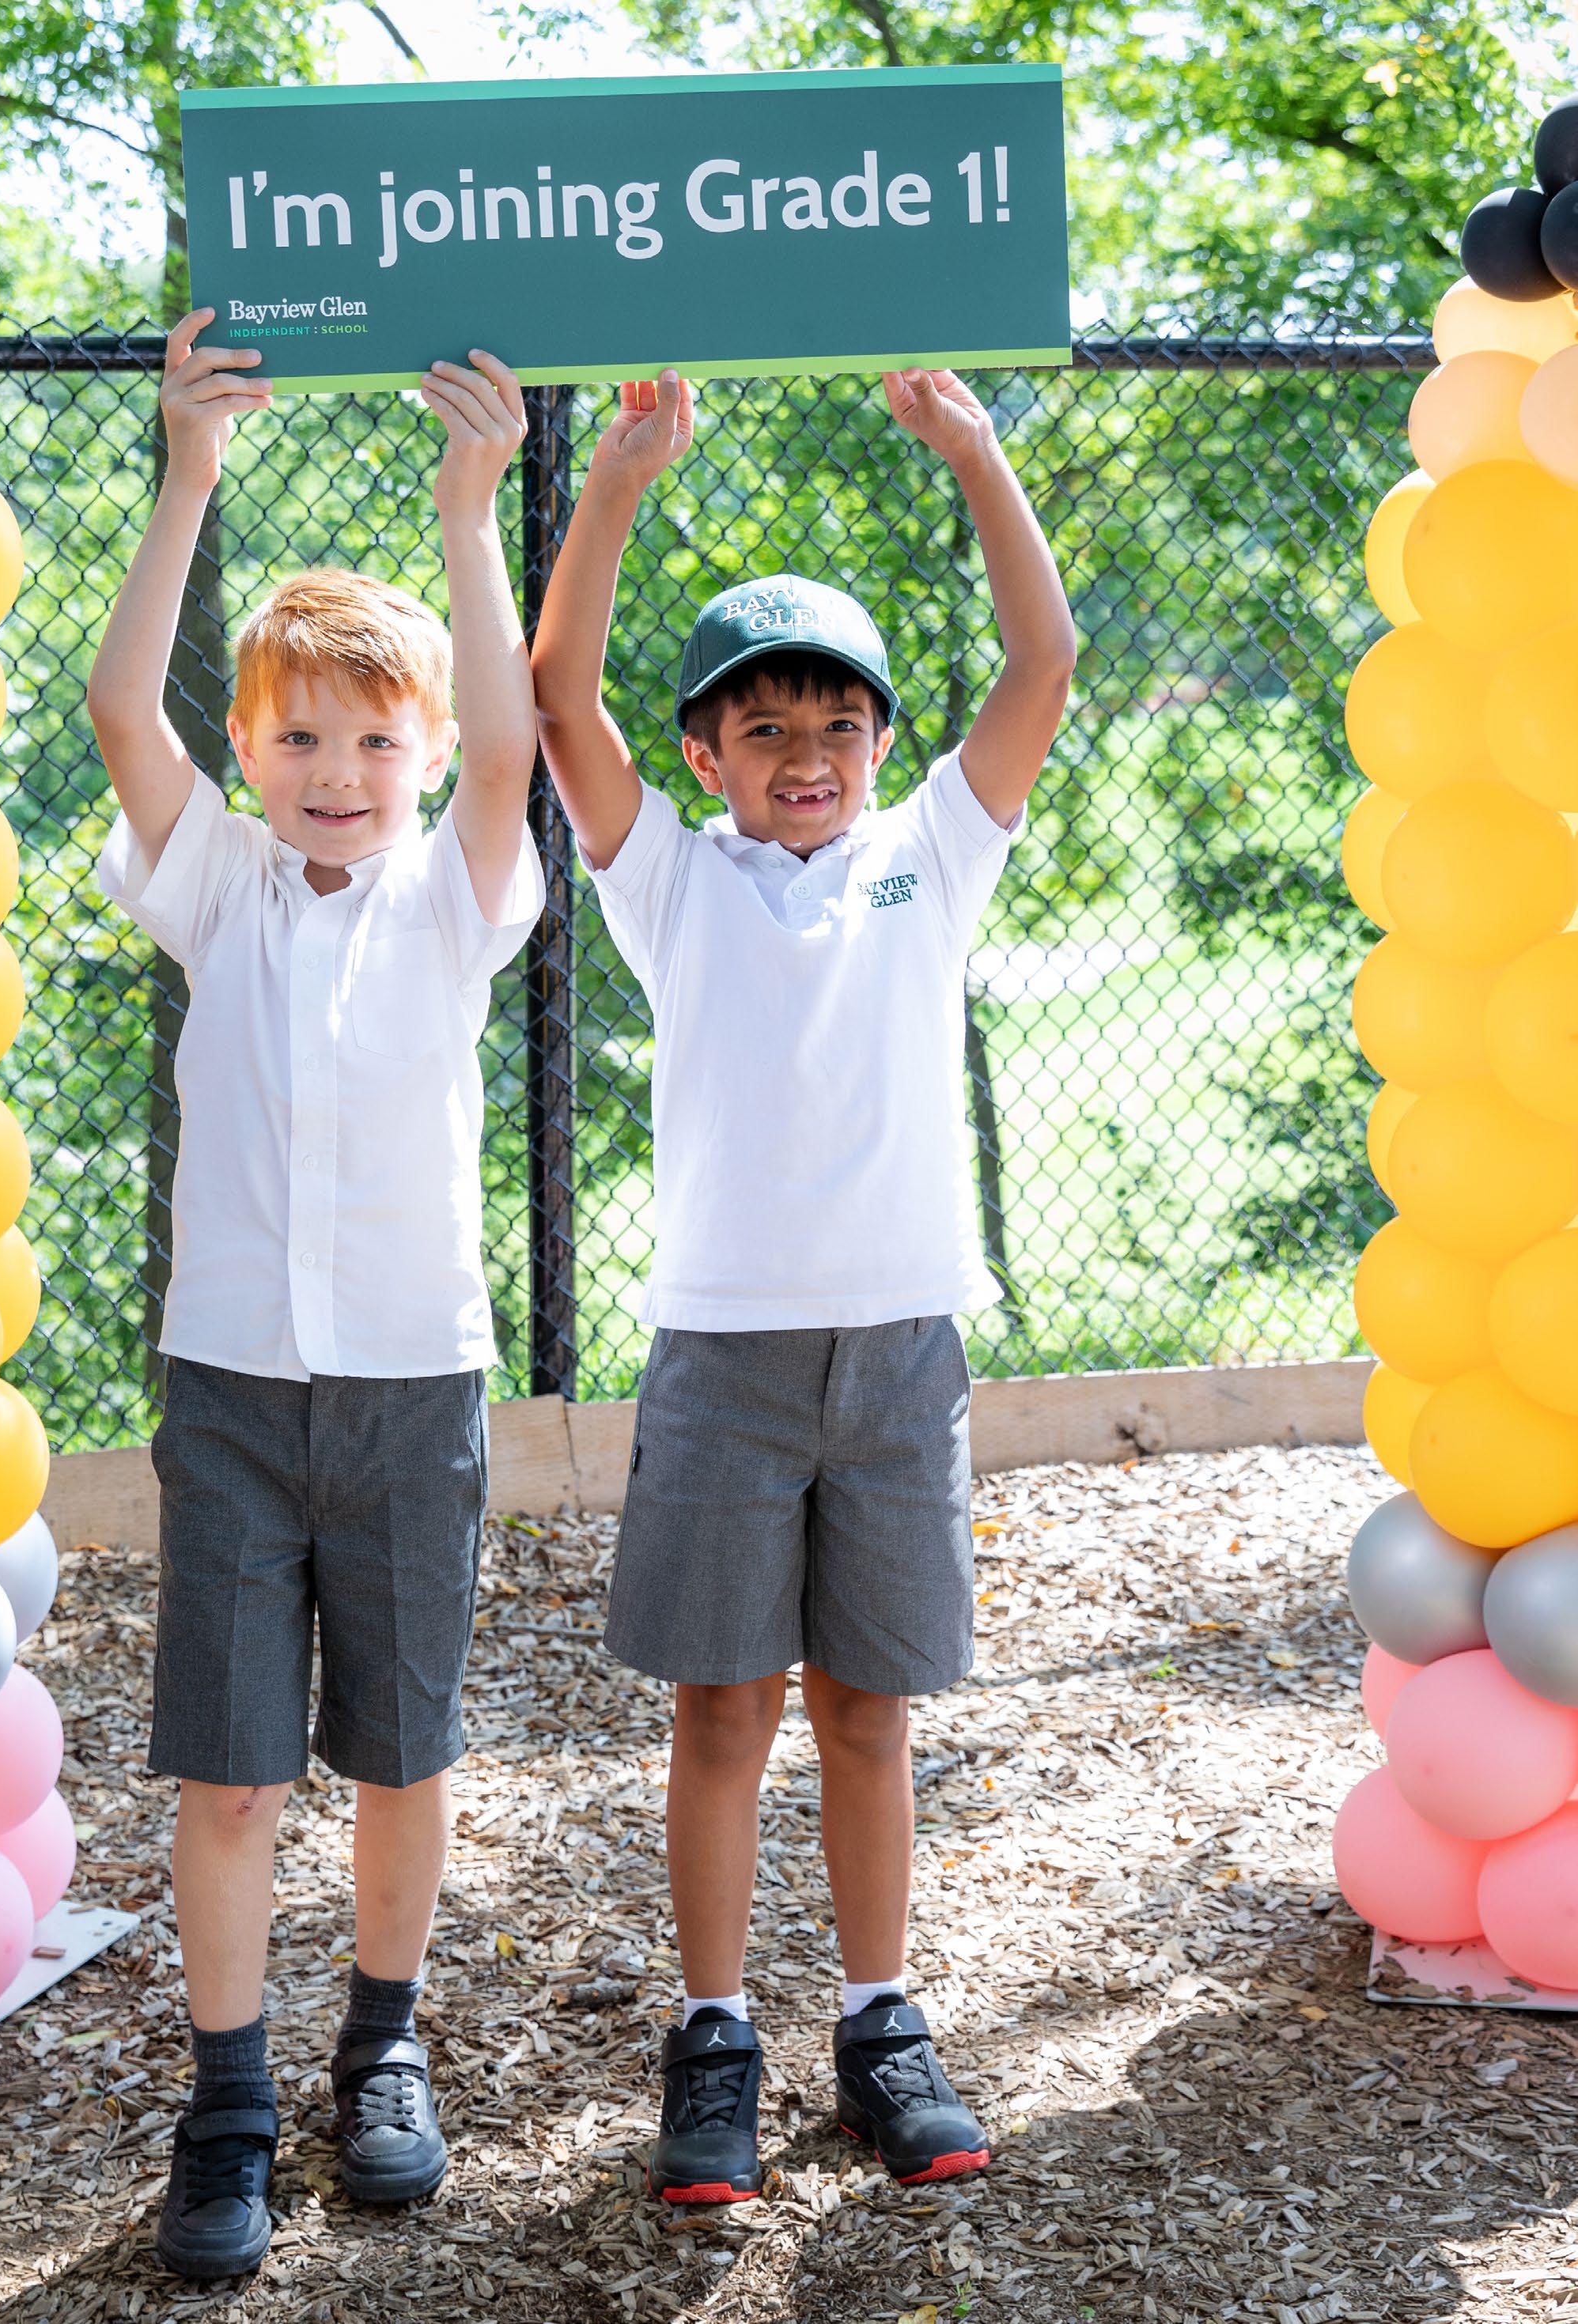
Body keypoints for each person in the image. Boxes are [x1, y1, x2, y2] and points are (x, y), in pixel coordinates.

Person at [529, 363, 1075, 2201]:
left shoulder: (931, 857)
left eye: (835, 719)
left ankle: (877, 2024)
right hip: (724, 1363)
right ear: (704, 758)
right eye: (759, 726)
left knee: (865, 1712)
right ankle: (712, 2039)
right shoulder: (667, 884)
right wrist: (618, 475)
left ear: (877, 742)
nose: (802, 752)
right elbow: (554, 692)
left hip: (900, 1355)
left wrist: (974, 453)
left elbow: (1040, 665)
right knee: (720, 1713)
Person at [87, 313, 542, 2279]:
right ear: (253, 757)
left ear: (417, 759)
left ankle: (381, 2046)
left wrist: (472, 517)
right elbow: (120, 708)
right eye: (296, 737)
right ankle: (229, 2101)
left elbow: (513, 748)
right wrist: (185, 475)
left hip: (412, 1393)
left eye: (373, 740)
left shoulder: (455, 900)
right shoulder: (217, 889)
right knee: (229, 1771)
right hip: (231, 1396)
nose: (336, 771)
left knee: (400, 1754)